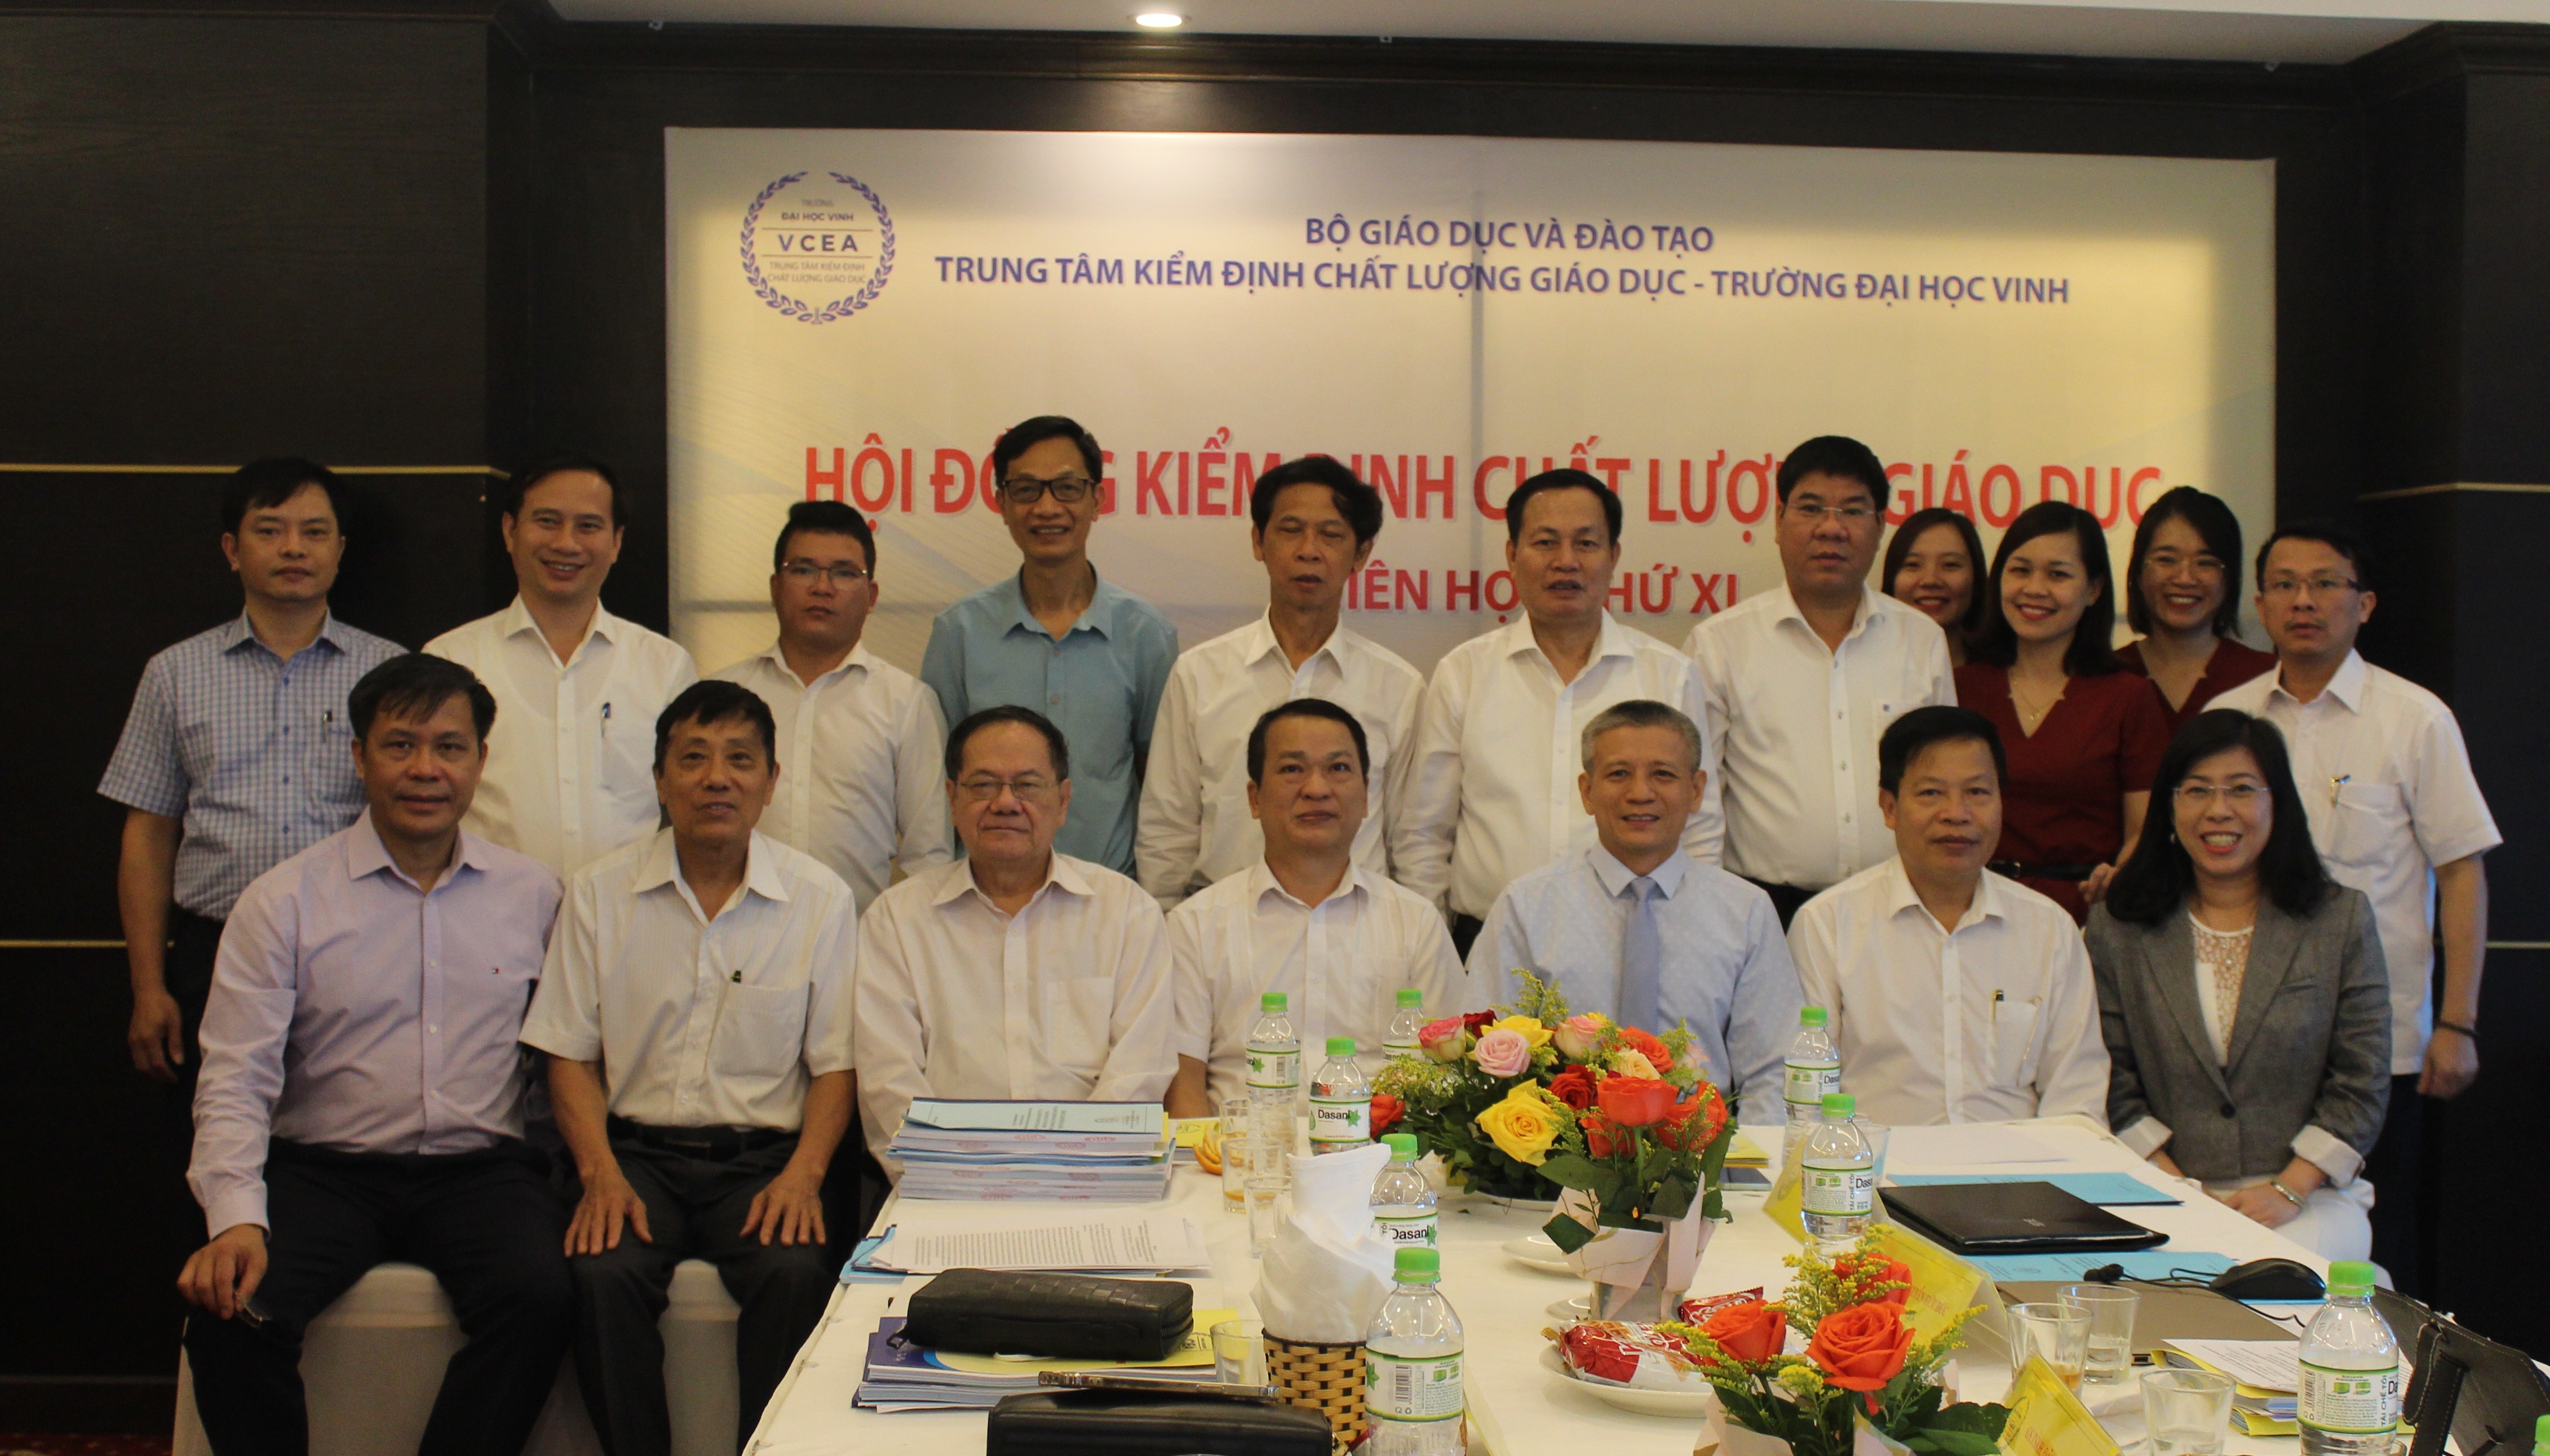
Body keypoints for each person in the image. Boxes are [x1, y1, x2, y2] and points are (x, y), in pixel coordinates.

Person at [180, 654, 569, 1456]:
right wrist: (235, 1220)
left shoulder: (534, 895)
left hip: (481, 1173)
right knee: (231, 1311)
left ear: (480, 761)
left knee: (545, 1297)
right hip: (326, 1173)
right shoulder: (284, 900)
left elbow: (565, 1062)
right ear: (360, 757)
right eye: (400, 745)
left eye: (449, 747)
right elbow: (235, 1077)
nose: (426, 769)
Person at [520, 680, 858, 1456]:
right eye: (694, 758)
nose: (717, 779)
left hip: (762, 1162)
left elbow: (837, 1065)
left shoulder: (819, 900)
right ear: (660, 779)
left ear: (771, 781)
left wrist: (804, 1176)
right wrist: (599, 1175)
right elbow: (567, 1053)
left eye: (740, 759)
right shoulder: (600, 893)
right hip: (633, 1156)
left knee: (796, 1271)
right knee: (601, 1272)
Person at [2209, 523, 2498, 1294]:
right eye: (2284, 584)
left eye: (2326, 583)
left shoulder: (2415, 718)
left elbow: (2461, 871)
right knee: (2252, 1242)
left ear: (2364, 604)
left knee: (2377, 1247)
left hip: (2379, 1045)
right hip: (2250, 1044)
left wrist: (2458, 1023)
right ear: (2260, 602)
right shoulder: (2230, 717)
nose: (2304, 600)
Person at [100, 458, 401, 1086]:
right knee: (221, 1128)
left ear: (340, 550)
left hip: (361, 947)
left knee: (355, 1126)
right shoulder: (175, 673)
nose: (294, 548)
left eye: (315, 532)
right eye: (270, 530)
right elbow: (149, 835)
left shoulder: (390, 672)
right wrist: (149, 986)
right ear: (232, 550)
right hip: (216, 949)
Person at [2086, 710, 2389, 1261]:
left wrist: (2289, 1188)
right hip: (2159, 1189)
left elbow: (2362, 1077)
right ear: (2170, 806)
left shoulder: (2339, 919)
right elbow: (2111, 1079)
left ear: (2278, 804)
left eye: (2242, 789)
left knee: (2278, 1278)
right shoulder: (2118, 928)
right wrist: (2177, 1188)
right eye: (2198, 790)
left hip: (2307, 1195)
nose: (2218, 809)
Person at [1394, 469, 1720, 957]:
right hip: (1490, 942)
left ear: (1614, 556)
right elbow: (1424, 835)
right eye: (1545, 543)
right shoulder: (1464, 673)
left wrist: (1686, 941)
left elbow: (1700, 826)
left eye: (1586, 544)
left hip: (1635, 940)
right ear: (1512, 556)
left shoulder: (1668, 674)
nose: (1566, 562)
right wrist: (1435, 954)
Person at [853, 706, 1177, 1166]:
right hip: (946, 1181)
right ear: (952, 798)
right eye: (984, 785)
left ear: (1063, 800)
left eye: (1027, 785)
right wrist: (962, 1176)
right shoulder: (896, 920)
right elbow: (888, 1082)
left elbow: (1140, 1071)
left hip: (1093, 1178)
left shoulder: (1126, 912)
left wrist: (1071, 1170)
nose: (1005, 803)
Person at [1470, 701, 1801, 1118]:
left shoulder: (1745, 910)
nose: (1641, 793)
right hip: (1560, 1147)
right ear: (1587, 791)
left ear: (1697, 790)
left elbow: (1773, 1070)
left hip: (1708, 1146)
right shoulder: (1527, 906)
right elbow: (1487, 1052)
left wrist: (1748, 1156)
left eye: (1663, 774)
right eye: (1618, 774)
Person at [1788, 706, 2109, 1126]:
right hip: (1876, 1163)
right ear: (1889, 807)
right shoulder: (1826, 925)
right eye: (1931, 793)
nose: (1957, 813)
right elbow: (1807, 1096)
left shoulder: (2050, 929)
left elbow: (2077, 1098)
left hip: (2018, 1164)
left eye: (1977, 792)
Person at [1685, 437, 1956, 926]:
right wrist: (1705, 913)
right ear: (1779, 521)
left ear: (1880, 527)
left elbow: (1943, 783)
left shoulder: (1921, 640)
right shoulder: (1720, 645)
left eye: (1853, 511)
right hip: (1763, 910)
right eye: (1811, 509)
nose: (1831, 528)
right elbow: (1697, 799)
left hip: (1897, 907)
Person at [1138, 456, 1423, 909]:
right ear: (1259, 541)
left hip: (1358, 926)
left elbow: (1412, 840)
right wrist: (1166, 926)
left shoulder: (1399, 687)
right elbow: (1167, 829)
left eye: (1331, 535)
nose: (1309, 550)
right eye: (1291, 530)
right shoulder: (1199, 674)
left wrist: (1417, 930)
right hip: (1221, 925)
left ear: (1362, 553)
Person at [1165, 699, 1463, 1118]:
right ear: (1254, 798)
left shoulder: (1415, 922)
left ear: (1366, 797)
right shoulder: (1195, 925)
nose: (1317, 789)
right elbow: (1184, 1084)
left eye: (1338, 768)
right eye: (1292, 769)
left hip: (1383, 1150)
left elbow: (1452, 1070)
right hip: (1243, 1151)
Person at [921, 416, 1179, 876]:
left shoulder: (1146, 635)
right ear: (1001, 503)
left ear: (1097, 500)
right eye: (1026, 490)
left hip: (1109, 896)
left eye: (1066, 488)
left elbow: (1161, 785)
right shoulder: (959, 633)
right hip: (985, 893)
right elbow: (938, 782)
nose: (1046, 507)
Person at [424, 455, 698, 878]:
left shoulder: (665, 665)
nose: (566, 543)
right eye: (548, 521)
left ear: (616, 541)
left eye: (588, 526)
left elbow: (686, 803)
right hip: (487, 907)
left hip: (627, 909)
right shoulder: (451, 660)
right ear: (510, 531)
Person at [712, 499, 950, 910]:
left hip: (858, 938)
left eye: (844, 573)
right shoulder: (722, 695)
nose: (823, 587)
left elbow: (928, 858)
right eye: (803, 570)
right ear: (775, 588)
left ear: (871, 596)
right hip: (735, 932)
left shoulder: (907, 703)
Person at [1954, 500, 2170, 922]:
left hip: (2086, 913)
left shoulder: (2129, 697)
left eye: (2058, 574)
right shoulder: (1961, 688)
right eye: (2020, 570)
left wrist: (2121, 875)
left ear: (2093, 590)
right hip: (1974, 907)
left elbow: (2146, 830)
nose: (2035, 589)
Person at [2115, 487, 2275, 732]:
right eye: (2166, 560)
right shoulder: (2105, 676)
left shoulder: (2267, 677)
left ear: (2229, 579)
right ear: (2138, 573)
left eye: (2205, 563)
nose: (2185, 578)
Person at [1883, 507, 1988, 668]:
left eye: (1950, 565)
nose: (1930, 580)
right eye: (1913, 565)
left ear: (1976, 578)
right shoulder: (1864, 670)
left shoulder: (2002, 677)